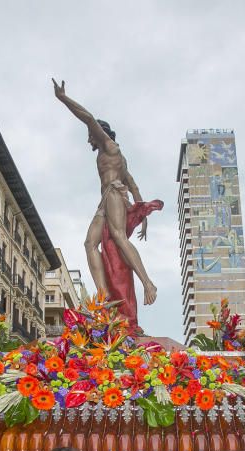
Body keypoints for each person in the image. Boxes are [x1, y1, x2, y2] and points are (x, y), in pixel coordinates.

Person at [52, 78, 158, 307]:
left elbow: (88, 118)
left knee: (119, 237)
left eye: (91, 134)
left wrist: (63, 99)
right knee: (90, 243)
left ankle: (148, 283)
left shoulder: (110, 146)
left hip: (114, 194)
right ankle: (103, 296)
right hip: (105, 199)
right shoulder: (112, 157)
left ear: (100, 133)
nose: (89, 138)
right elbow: (134, 184)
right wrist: (142, 215)